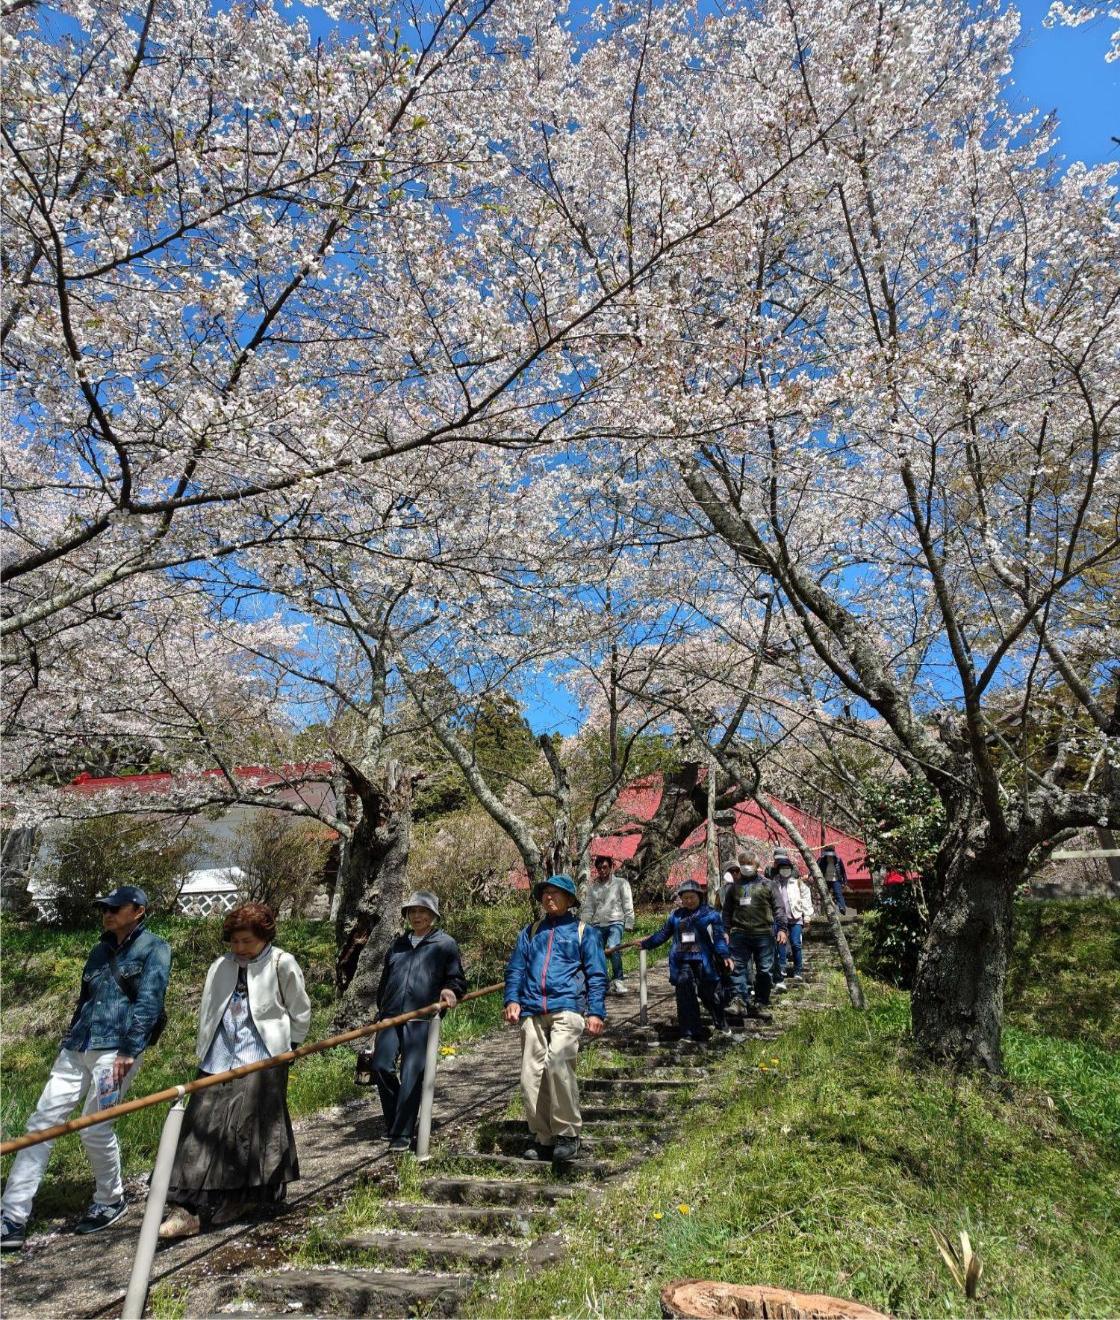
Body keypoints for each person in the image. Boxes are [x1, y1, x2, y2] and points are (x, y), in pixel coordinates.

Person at [1, 886, 171, 1252]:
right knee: (40, 1124)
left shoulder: (155, 948)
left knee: (95, 1127)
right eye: (104, 908)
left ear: (138, 910)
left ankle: (110, 1199)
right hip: (77, 1048)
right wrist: (69, 1038)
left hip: (116, 1052)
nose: (107, 913)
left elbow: (149, 1003)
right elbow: (85, 1000)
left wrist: (130, 1050)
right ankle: (12, 1216)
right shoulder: (98, 951)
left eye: (116, 907)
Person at [159, 902, 312, 1239]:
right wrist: (203, 1047)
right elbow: (209, 1009)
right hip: (219, 1054)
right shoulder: (221, 965)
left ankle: (244, 1197)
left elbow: (300, 1009)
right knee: (200, 1124)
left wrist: (291, 1047)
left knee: (248, 1128)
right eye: (235, 941)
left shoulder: (281, 963)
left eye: (247, 941)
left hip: (263, 1054)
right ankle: (185, 1207)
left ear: (264, 937)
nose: (240, 948)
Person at [504, 874, 607, 1166]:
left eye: (556, 893)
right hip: (532, 1009)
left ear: (570, 899)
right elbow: (516, 969)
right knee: (530, 1076)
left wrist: (596, 1011)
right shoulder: (531, 931)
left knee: (558, 1063)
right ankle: (544, 1137)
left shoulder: (584, 932)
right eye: (545, 893)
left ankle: (568, 1134)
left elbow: (597, 974)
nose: (549, 897)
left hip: (568, 1006)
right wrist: (512, 999)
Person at [367, 891, 467, 1155]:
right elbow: (385, 982)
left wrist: (450, 990)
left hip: (423, 1017)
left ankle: (401, 1133)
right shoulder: (397, 945)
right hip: (391, 1016)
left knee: (412, 1072)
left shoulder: (445, 944)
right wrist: (380, 1012)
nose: (417, 916)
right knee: (381, 1066)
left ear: (433, 915)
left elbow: (456, 979)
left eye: (422, 911)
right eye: (412, 911)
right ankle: (397, 1122)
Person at [640, 880, 737, 1044]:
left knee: (710, 995)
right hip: (682, 962)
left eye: (692, 897)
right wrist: (645, 944)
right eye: (685, 898)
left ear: (699, 896)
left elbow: (719, 938)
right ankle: (689, 1033)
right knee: (685, 997)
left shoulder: (711, 915)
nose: (689, 901)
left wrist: (725, 955)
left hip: (704, 962)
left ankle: (721, 1023)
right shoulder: (675, 916)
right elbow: (663, 934)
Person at [720, 857, 775, 1020]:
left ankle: (761, 1002)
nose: (746, 867)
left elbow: (779, 907)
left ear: (756, 865)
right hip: (739, 933)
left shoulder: (768, 885)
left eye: (749, 864)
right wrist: (725, 930)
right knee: (737, 968)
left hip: (763, 933)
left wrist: (782, 929)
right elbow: (727, 911)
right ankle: (739, 1000)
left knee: (764, 970)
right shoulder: (734, 887)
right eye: (743, 864)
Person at [580, 855, 635, 995]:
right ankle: (603, 982)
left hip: (616, 921)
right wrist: (582, 925)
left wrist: (629, 921)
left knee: (613, 947)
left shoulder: (621, 883)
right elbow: (588, 908)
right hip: (598, 924)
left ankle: (618, 980)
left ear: (611, 867)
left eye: (605, 867)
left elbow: (627, 903)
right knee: (598, 952)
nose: (602, 870)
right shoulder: (593, 888)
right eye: (599, 868)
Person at [770, 856, 814, 986]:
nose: (785, 870)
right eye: (782, 868)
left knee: (796, 943)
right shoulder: (773, 884)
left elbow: (806, 899)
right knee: (780, 943)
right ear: (778, 869)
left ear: (791, 869)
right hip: (779, 919)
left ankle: (798, 970)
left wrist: (807, 916)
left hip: (796, 917)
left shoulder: (798, 883)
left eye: (787, 867)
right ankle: (782, 967)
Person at [818, 845, 848, 914]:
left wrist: (845, 882)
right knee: (824, 895)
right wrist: (809, 875)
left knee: (838, 894)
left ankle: (842, 908)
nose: (830, 856)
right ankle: (824, 910)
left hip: (836, 879)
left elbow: (843, 871)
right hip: (825, 880)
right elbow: (815, 868)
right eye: (828, 855)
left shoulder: (838, 860)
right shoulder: (821, 860)